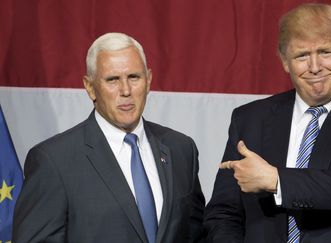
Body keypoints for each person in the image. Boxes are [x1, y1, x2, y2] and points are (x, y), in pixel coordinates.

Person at [204, 3, 331, 243]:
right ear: (284, 61)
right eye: (302, 55)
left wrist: (276, 180)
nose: (315, 67)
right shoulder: (250, 119)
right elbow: (223, 213)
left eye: (325, 52)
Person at [13, 32, 205, 243]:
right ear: (90, 87)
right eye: (112, 80)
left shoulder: (180, 149)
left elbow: (194, 233)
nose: (125, 90)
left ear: (148, 80)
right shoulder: (54, 161)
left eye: (134, 77)